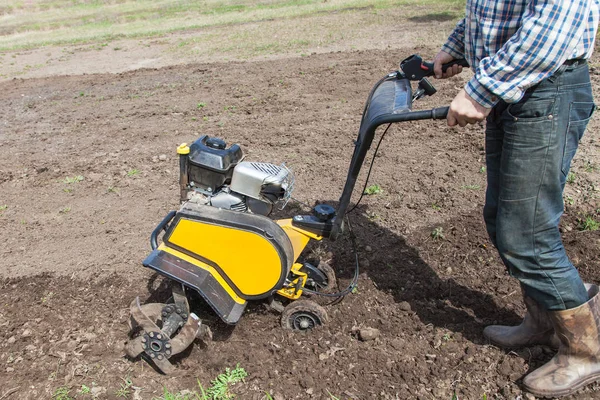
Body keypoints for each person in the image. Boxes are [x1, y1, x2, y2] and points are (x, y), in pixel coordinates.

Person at [432, 0, 600, 396]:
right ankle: (543, 322)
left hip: (546, 89)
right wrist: (457, 45)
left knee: (526, 232)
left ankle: (585, 350)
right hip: (517, 89)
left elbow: (552, 26)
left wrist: (481, 90)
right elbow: (491, 9)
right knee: (500, 218)